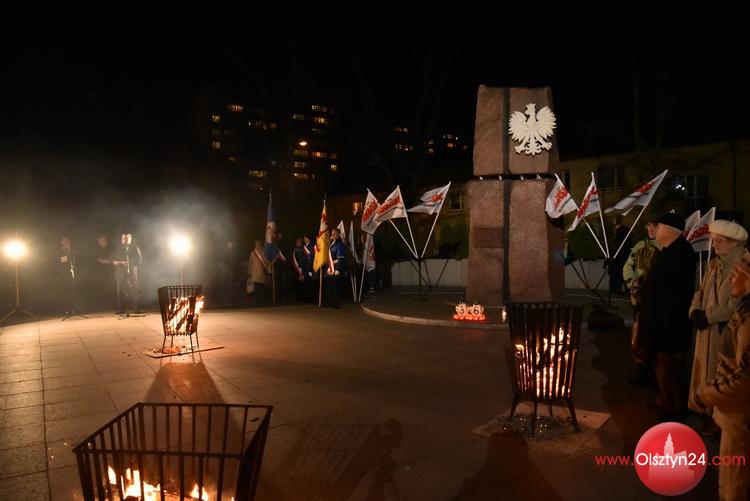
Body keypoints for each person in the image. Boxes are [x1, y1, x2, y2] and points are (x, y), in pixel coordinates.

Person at [695, 250, 750, 501]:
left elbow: (745, 379)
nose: (732, 279)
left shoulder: (747, 319)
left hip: (740, 417)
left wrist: (707, 393)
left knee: (734, 484)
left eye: (738, 273)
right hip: (736, 413)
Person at [688, 220, 748, 434]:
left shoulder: (743, 265)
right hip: (707, 329)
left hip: (726, 330)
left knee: (722, 374)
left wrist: (709, 316)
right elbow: (701, 290)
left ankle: (719, 419)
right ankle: (706, 411)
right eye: (714, 241)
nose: (714, 245)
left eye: (719, 241)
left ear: (734, 242)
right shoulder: (714, 263)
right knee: (705, 370)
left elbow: (737, 302)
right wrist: (695, 310)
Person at [636, 212, 697, 422]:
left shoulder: (680, 252)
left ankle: (675, 409)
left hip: (669, 323)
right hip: (660, 320)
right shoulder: (670, 250)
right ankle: (665, 400)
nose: (653, 229)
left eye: (658, 226)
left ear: (669, 230)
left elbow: (673, 292)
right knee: (661, 365)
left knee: (669, 367)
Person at [623, 220, 662, 386]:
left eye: (654, 225)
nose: (650, 228)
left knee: (656, 339)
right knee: (638, 338)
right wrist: (633, 284)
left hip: (656, 302)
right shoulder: (639, 245)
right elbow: (627, 267)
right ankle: (642, 370)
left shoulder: (665, 247)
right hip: (639, 300)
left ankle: (656, 375)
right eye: (648, 225)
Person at [112, 233, 142, 314]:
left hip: (132, 272)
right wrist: (118, 262)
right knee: (120, 291)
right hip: (121, 272)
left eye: (127, 238)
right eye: (123, 238)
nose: (125, 240)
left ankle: (136, 308)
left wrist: (129, 263)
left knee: (134, 290)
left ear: (130, 239)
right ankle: (121, 309)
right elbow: (113, 259)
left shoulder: (135, 248)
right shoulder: (118, 248)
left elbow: (139, 260)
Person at [324, 228, 347, 308]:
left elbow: (340, 258)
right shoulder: (331, 244)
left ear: (338, 235)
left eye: (334, 234)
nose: (332, 235)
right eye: (332, 233)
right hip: (328, 269)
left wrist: (338, 269)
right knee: (328, 287)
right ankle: (328, 302)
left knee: (335, 287)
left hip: (335, 269)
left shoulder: (340, 245)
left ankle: (335, 303)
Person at [93, 234, 115, 312]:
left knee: (111, 288)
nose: (103, 242)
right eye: (101, 241)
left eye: (104, 240)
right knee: (102, 289)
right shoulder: (96, 250)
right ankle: (103, 306)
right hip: (101, 273)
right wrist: (111, 262)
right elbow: (100, 260)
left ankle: (112, 306)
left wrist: (112, 262)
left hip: (110, 271)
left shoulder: (110, 248)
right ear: (98, 241)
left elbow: (114, 257)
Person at [58, 236, 79, 315]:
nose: (66, 242)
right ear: (61, 242)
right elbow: (62, 261)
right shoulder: (60, 251)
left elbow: (75, 259)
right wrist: (65, 252)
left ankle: (74, 309)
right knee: (65, 292)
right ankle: (67, 310)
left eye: (67, 240)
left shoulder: (73, 250)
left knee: (74, 291)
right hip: (63, 274)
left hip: (73, 273)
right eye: (64, 241)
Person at [248, 240, 271, 305]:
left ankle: (262, 299)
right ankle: (257, 299)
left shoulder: (264, 252)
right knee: (256, 287)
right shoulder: (253, 253)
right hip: (255, 273)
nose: (257, 245)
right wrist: (249, 272)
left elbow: (267, 262)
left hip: (262, 272)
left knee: (262, 287)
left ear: (260, 245)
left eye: (258, 244)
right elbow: (250, 263)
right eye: (256, 244)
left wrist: (269, 271)